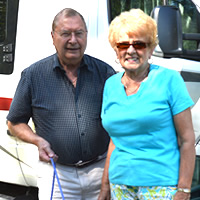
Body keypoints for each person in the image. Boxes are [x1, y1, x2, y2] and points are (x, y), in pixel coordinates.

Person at [7, 8, 115, 200]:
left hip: (100, 170)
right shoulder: (33, 75)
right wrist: (37, 140)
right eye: (65, 33)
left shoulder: (106, 73)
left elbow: (119, 123)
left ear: (86, 36)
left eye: (79, 33)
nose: (73, 40)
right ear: (53, 36)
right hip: (57, 175)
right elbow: (14, 122)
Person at [99, 9, 195, 200]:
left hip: (161, 186)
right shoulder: (110, 85)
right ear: (116, 50)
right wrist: (104, 187)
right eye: (123, 44)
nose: (131, 50)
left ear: (151, 49)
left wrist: (184, 189)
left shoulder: (170, 80)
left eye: (139, 44)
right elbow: (114, 140)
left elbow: (187, 140)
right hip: (120, 185)